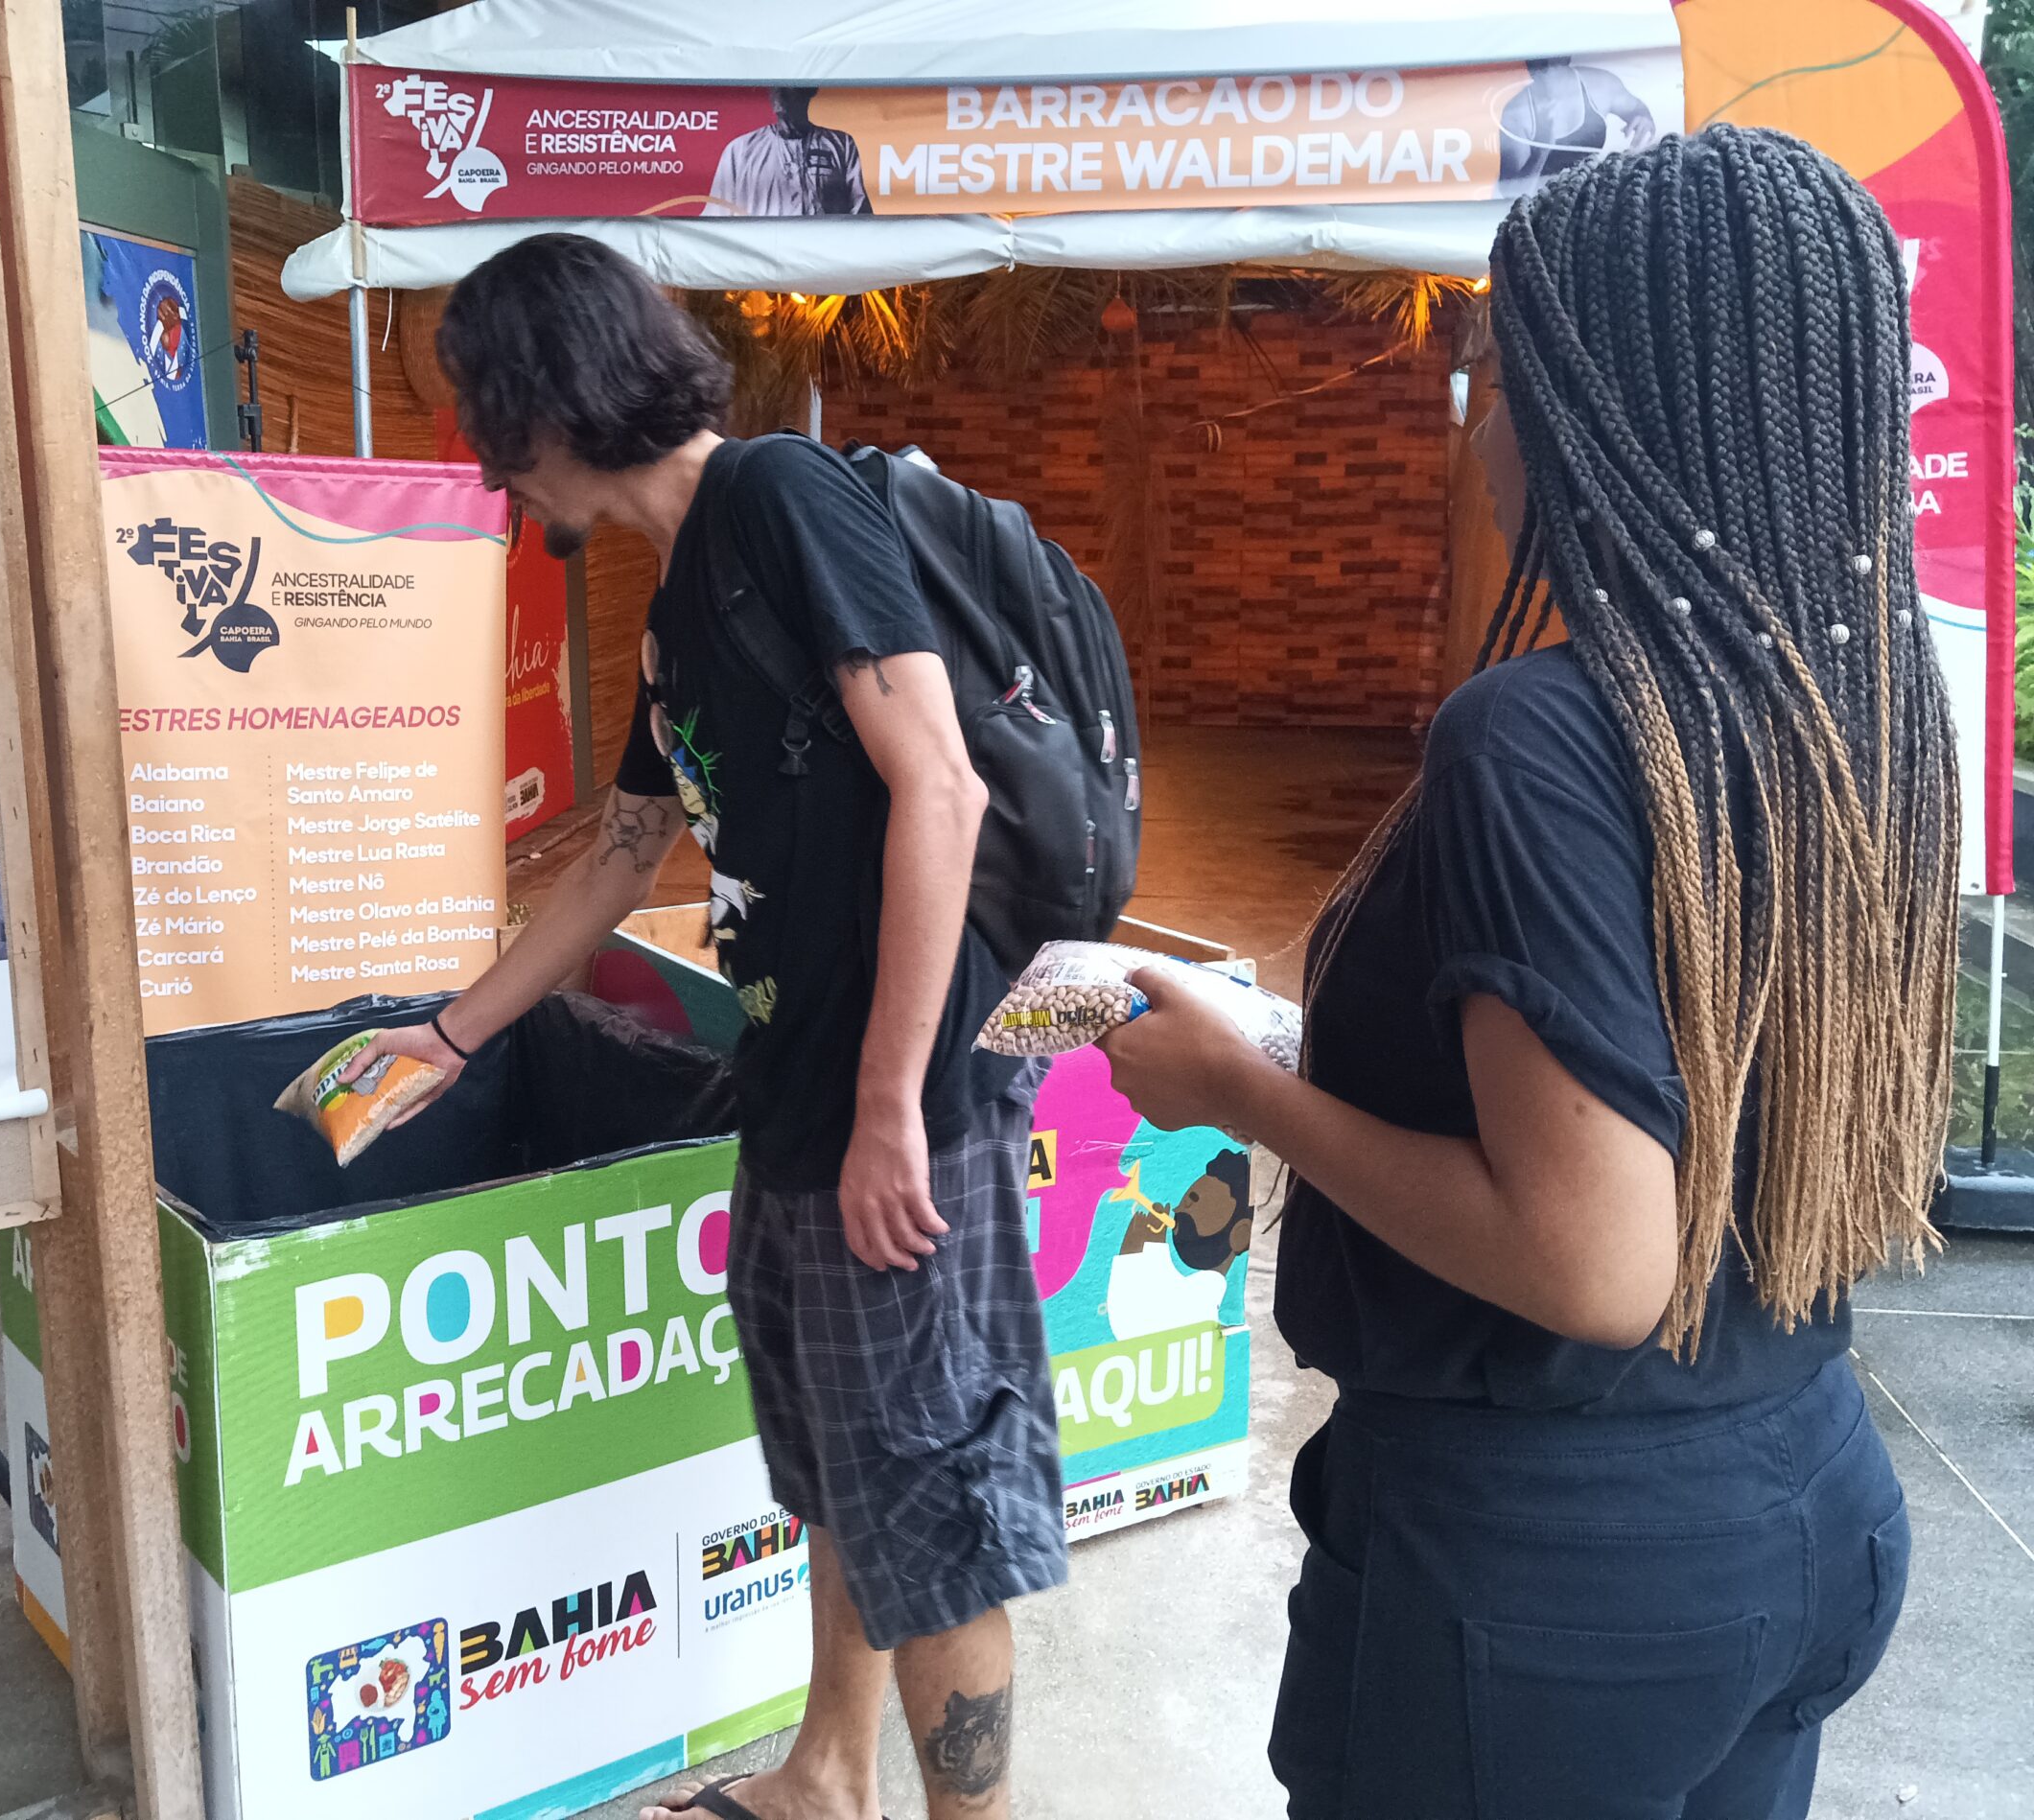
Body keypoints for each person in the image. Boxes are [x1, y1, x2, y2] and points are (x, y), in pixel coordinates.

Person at [1106, 125, 1945, 1818]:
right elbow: (1673, 1068)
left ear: (1605, 412)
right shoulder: (1861, 704)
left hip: (1550, 1589)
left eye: (1506, 375)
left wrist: (1240, 1090)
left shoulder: (1540, 733)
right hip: (1801, 1501)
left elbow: (1589, 1261)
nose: (1485, 431)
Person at [341, 233, 1063, 1820]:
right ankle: (828, 1772)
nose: (483, 455)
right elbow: (622, 850)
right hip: (799, 1081)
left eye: (483, 410)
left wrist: (887, 1106)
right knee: (839, 1467)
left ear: (550, 398)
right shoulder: (679, 601)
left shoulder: (782, 501)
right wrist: (452, 1034)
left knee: (929, 1501)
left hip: (907, 1095)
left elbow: (938, 782)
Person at [1497, 57, 1657, 194]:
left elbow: (1636, 108)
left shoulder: (1601, 85)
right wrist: (1542, 148)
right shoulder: (1516, 113)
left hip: (1593, 197)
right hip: (1547, 211)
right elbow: (1512, 193)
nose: (1549, 68)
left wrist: (1644, 118)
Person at [704, 88, 872, 219]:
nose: (780, 92)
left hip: (822, 257)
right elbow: (717, 218)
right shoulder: (740, 150)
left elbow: (860, 214)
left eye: (788, 85)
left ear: (810, 90)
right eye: (775, 86)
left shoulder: (841, 144)